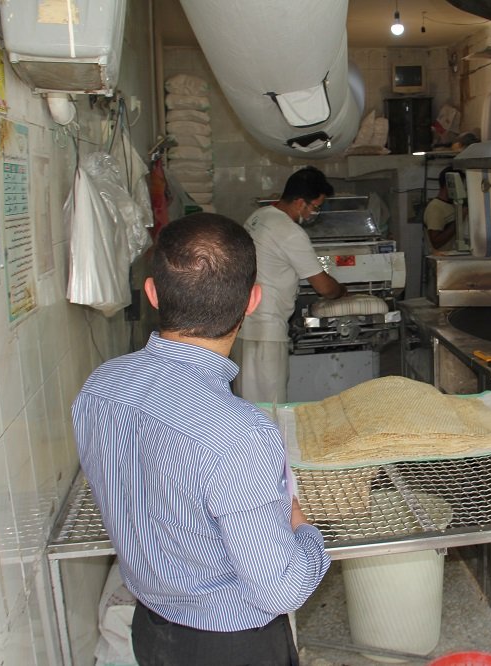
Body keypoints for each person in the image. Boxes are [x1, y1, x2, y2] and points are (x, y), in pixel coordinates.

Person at [72, 213, 330, 665]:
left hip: (150, 630)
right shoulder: (240, 434)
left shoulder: (101, 387)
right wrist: (304, 530)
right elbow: (282, 588)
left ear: (152, 293)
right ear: (253, 300)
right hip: (232, 645)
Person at [233, 166, 347, 404]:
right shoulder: (290, 232)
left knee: (247, 404)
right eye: (315, 207)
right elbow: (324, 288)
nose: (314, 213)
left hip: (243, 327)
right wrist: (342, 291)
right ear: (300, 202)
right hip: (266, 333)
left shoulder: (259, 216)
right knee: (269, 408)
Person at [422, 166, 460, 253]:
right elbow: (436, 243)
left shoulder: (455, 205)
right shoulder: (435, 207)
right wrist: (459, 220)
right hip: (442, 259)